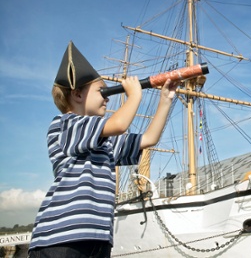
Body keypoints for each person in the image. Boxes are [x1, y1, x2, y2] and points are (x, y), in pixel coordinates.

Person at [28, 41, 177, 258]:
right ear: (77, 94)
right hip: (62, 238)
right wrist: (134, 94)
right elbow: (118, 124)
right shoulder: (65, 125)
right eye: (102, 91)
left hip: (99, 237)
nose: (107, 97)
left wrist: (165, 100)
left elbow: (148, 139)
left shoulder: (105, 143)